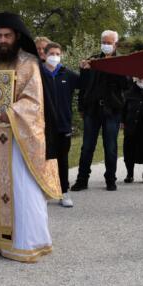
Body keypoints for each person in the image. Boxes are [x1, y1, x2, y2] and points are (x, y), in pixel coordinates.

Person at [0, 12, 61, 262]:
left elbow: (34, 101)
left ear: (17, 36)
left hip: (18, 141)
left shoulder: (29, 63)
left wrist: (11, 113)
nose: (3, 40)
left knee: (21, 189)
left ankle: (25, 242)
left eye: (7, 35)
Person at [71, 30, 130, 192]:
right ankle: (82, 179)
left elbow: (126, 85)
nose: (105, 45)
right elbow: (83, 86)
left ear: (115, 44)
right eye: (103, 42)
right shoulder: (93, 60)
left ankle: (110, 179)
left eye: (109, 43)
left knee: (110, 146)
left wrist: (114, 67)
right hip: (92, 109)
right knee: (87, 146)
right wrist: (83, 70)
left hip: (112, 110)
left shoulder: (122, 62)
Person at [42, 41, 81, 207]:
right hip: (42, 126)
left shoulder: (67, 74)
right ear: (44, 55)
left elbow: (85, 83)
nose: (54, 57)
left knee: (62, 160)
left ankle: (64, 192)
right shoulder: (38, 74)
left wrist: (87, 69)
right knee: (43, 160)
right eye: (51, 54)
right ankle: (44, 192)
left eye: (58, 54)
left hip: (63, 125)